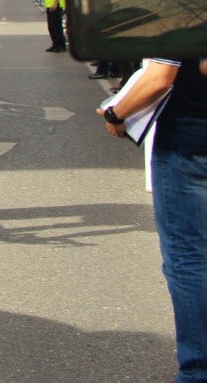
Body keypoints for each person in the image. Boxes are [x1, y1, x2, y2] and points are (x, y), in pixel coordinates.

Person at [98, 58, 207, 383]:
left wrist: (117, 112)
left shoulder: (183, 11)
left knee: (189, 261)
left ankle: (198, 371)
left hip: (192, 145)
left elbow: (159, 78)